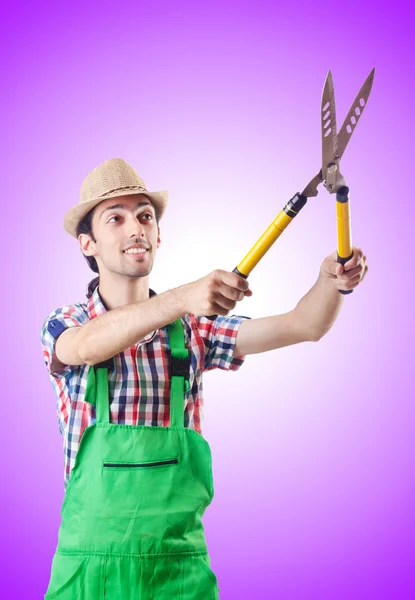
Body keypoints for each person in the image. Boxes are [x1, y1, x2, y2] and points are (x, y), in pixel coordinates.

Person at [40, 158, 368, 599]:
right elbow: (85, 348)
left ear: (158, 235)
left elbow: (304, 324)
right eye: (114, 218)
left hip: (179, 573)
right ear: (88, 244)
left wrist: (333, 283)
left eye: (144, 216)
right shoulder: (66, 323)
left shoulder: (194, 333)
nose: (135, 227)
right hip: (87, 573)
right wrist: (185, 296)